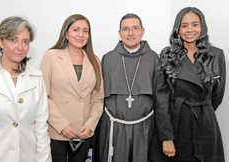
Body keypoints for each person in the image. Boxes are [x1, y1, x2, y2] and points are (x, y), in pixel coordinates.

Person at [149, 7, 226, 162]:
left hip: (205, 124)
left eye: (195, 24)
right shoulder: (167, 55)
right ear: (178, 29)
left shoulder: (216, 55)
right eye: (184, 25)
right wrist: (166, 137)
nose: (189, 30)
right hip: (175, 125)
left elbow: (217, 96)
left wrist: (202, 109)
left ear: (202, 27)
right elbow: (161, 100)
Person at [93, 13, 172, 162]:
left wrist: (166, 135)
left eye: (135, 28)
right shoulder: (108, 58)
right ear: (119, 33)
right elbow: (98, 97)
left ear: (142, 31)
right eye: (126, 29)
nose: (130, 33)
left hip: (145, 129)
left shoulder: (154, 59)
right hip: (113, 128)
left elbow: (162, 100)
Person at [0, 16, 51, 162]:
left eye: (25, 41)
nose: (20, 47)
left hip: (27, 156)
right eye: (13, 40)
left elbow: (41, 127)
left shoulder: (36, 77)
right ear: (0, 42)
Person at [40, 14, 104, 162]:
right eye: (76, 30)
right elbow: (43, 96)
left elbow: (98, 98)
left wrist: (90, 124)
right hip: (57, 131)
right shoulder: (51, 56)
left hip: (83, 133)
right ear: (66, 33)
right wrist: (63, 125)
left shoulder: (95, 60)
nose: (81, 35)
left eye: (85, 31)